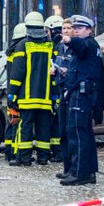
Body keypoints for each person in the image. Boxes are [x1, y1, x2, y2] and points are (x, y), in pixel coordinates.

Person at [59, 15, 104, 186]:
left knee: (78, 134)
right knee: (84, 134)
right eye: (75, 28)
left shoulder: (88, 43)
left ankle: (79, 173)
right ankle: (84, 171)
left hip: (82, 97)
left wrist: (69, 40)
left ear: (89, 30)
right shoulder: (87, 46)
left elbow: (81, 46)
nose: (76, 30)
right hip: (80, 95)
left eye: (80, 28)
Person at [8, 12, 53, 166]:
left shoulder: (22, 45)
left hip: (27, 97)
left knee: (25, 127)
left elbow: (17, 73)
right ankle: (42, 158)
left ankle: (24, 159)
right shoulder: (50, 45)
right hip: (45, 97)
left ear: (27, 27)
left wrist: (12, 93)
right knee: (43, 128)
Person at [53, 18, 75, 179]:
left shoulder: (76, 48)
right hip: (61, 91)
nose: (65, 30)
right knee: (63, 134)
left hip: (71, 93)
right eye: (64, 28)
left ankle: (73, 169)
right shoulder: (61, 47)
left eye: (69, 28)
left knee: (70, 133)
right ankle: (67, 168)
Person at [4, 23, 27, 162]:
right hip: (17, 93)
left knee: (11, 122)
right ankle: (13, 152)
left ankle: (9, 151)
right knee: (17, 124)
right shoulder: (19, 51)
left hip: (11, 92)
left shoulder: (11, 52)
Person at [44, 15, 64, 163]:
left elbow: (62, 68)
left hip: (58, 91)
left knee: (57, 123)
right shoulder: (55, 45)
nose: (47, 34)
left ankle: (58, 153)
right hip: (54, 91)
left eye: (48, 31)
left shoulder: (59, 46)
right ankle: (56, 151)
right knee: (54, 122)